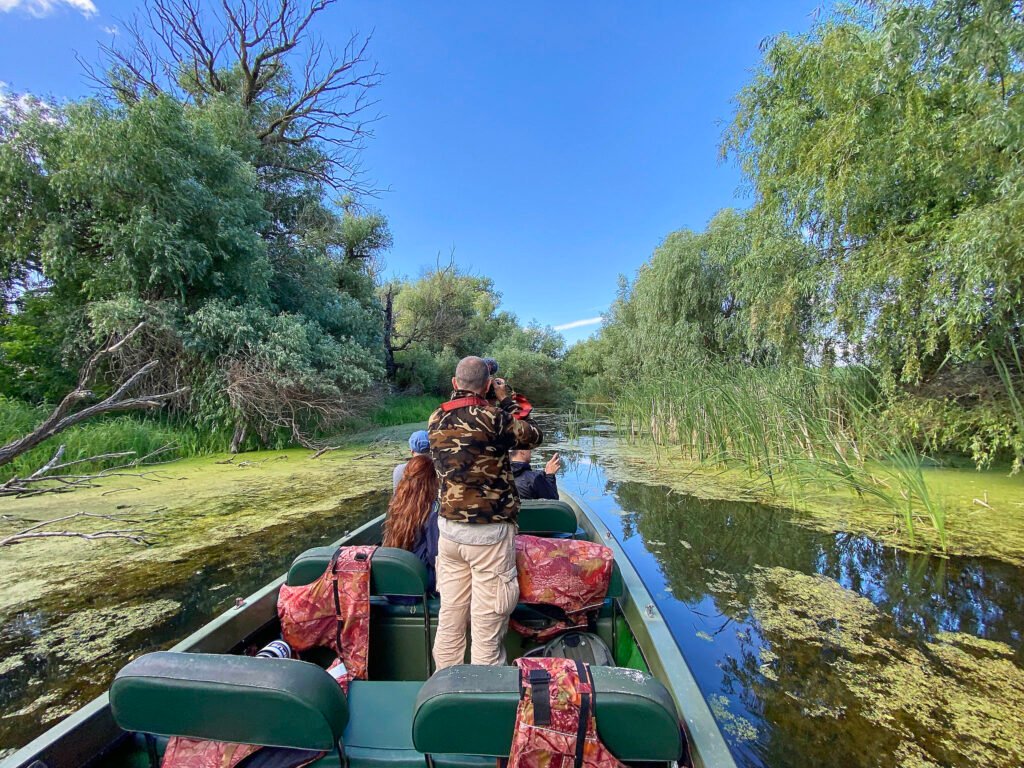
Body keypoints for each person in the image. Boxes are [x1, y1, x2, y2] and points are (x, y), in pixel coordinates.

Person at [428, 356, 543, 668]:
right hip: (488, 535)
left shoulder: (435, 417)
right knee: (487, 624)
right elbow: (532, 433)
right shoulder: (494, 417)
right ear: (489, 384)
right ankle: (484, 694)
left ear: (455, 383)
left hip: (449, 533)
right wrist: (506, 397)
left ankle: (444, 686)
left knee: (450, 617)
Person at [382, 454, 440, 592]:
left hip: (398, 574)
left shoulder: (395, 505)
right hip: (421, 579)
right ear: (432, 480)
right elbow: (434, 556)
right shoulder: (433, 510)